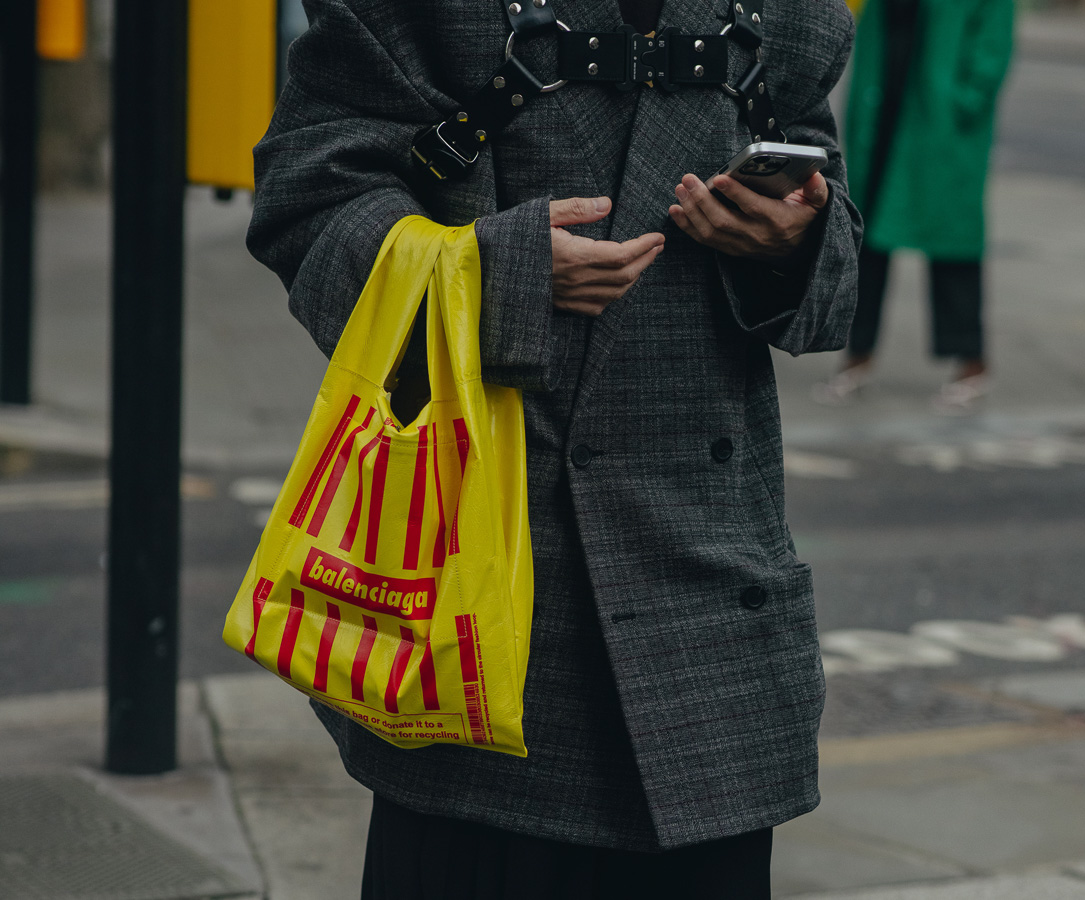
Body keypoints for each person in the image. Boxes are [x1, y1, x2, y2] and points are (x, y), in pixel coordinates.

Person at [246, 0, 860, 896]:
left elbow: (832, 241)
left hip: (710, 622)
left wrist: (795, 241)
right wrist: (496, 276)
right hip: (480, 601)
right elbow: (309, 199)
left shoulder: (789, 17)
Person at [814, 0, 1013, 412]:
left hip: (939, 120)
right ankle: (858, 354)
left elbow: (993, 41)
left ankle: (970, 360)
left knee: (951, 239)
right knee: (865, 234)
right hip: (885, 103)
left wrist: (966, 97)